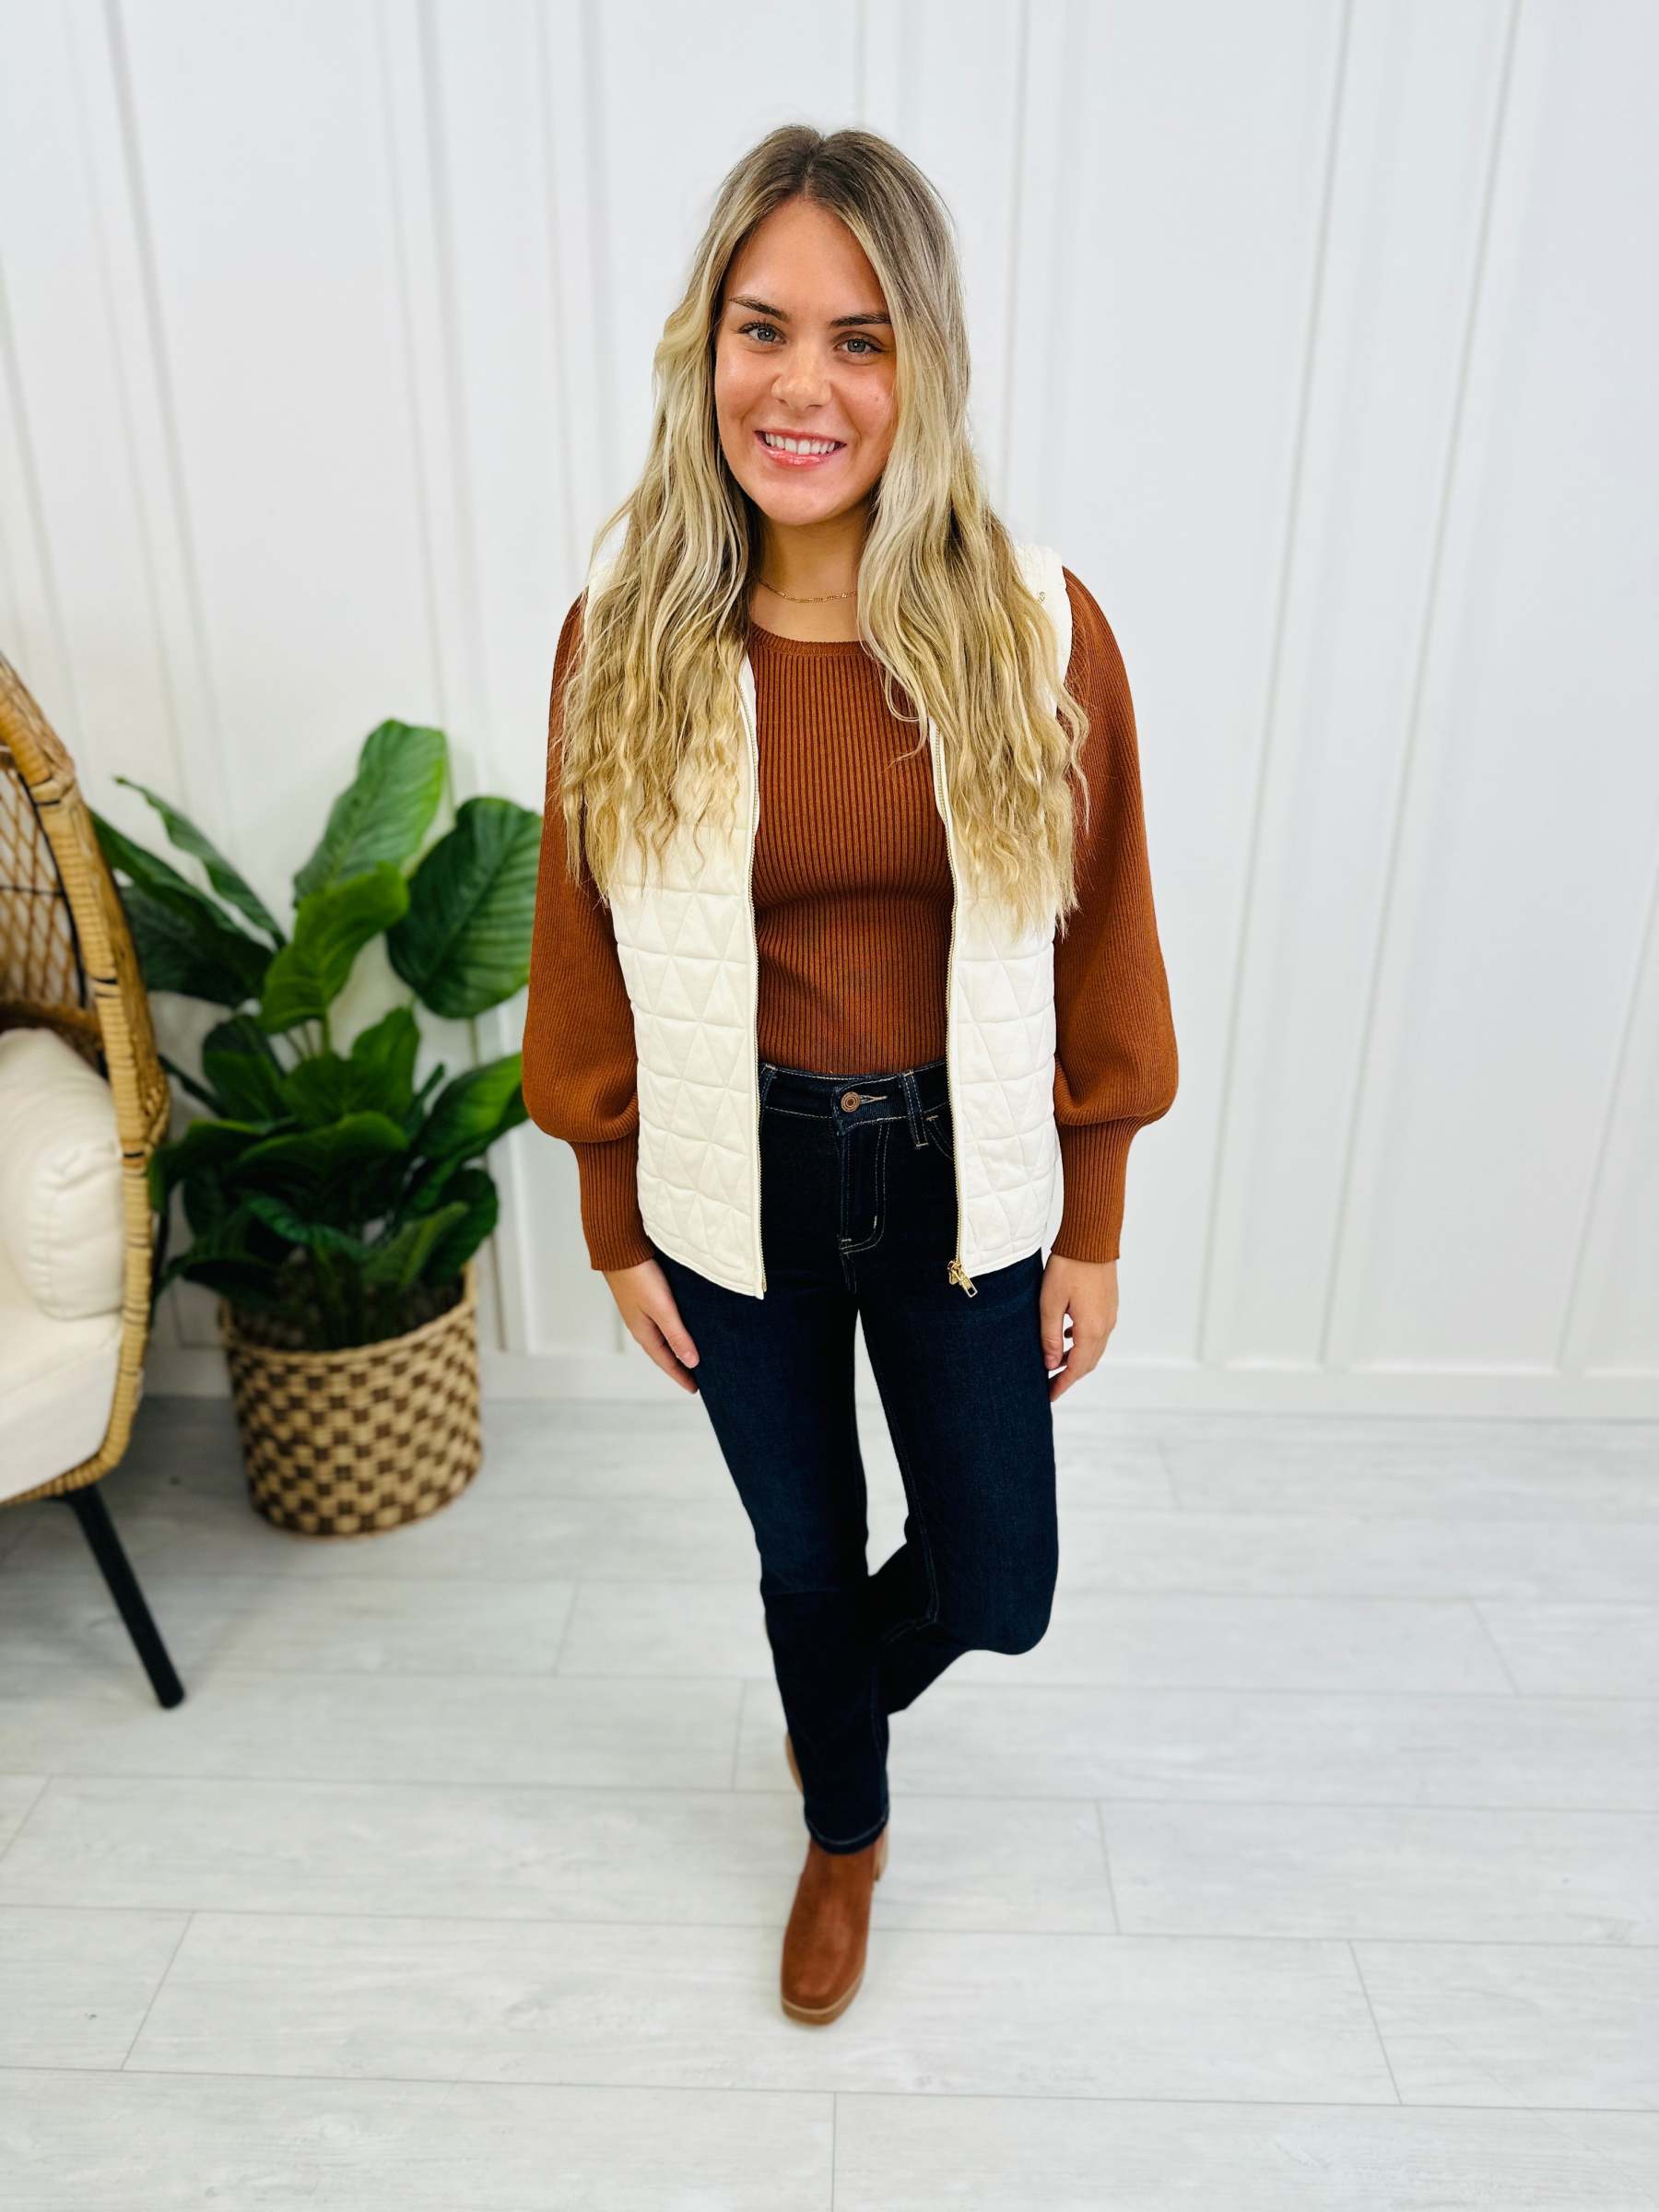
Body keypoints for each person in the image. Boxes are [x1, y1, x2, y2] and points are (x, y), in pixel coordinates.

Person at [521, 124, 1178, 2027]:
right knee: (804, 1550)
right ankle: (845, 1834)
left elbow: (1106, 934)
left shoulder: (1039, 630)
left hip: (966, 1185)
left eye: (860, 339)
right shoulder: (622, 639)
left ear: (924, 369)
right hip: (731, 1186)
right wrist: (614, 1215)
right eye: (764, 328)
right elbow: (581, 944)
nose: (801, 385)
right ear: (705, 348)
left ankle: (830, 1720)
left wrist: (1095, 1215)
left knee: (999, 1580)